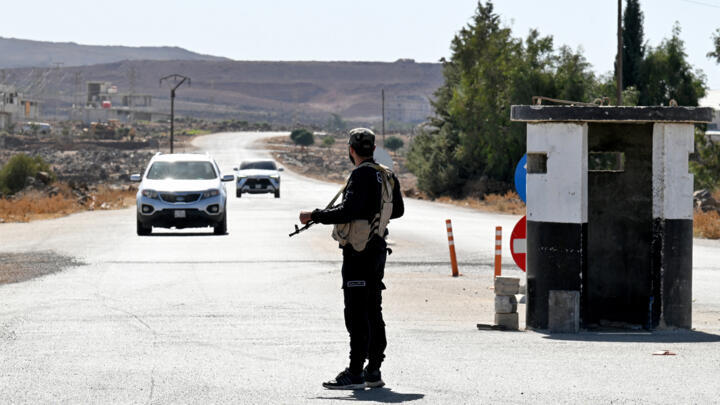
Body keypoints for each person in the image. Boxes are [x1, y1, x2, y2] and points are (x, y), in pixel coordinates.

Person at [299, 128, 404, 390]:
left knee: (357, 313)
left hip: (359, 253)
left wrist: (314, 215)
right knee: (373, 309)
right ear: (373, 149)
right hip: (378, 250)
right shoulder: (387, 175)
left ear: (351, 150)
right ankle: (374, 370)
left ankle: (356, 372)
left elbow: (349, 210)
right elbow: (398, 210)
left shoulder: (361, 175)